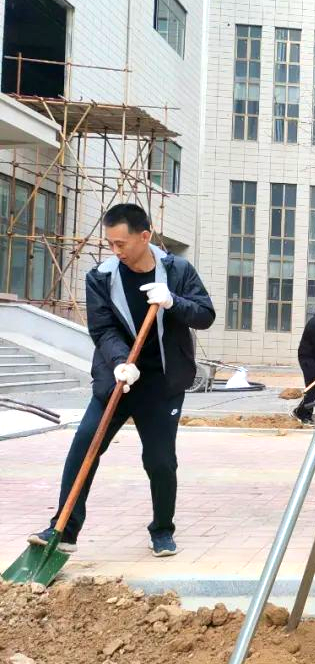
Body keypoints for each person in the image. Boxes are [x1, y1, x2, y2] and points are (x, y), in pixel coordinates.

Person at [27, 203, 215, 558]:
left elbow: (205, 314)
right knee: (85, 445)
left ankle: (162, 530)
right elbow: (102, 327)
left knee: (160, 460)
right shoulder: (101, 276)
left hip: (162, 384)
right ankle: (64, 529)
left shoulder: (177, 271)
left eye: (121, 243)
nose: (115, 251)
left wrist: (173, 301)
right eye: (110, 243)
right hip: (119, 379)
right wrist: (118, 363)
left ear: (144, 237)